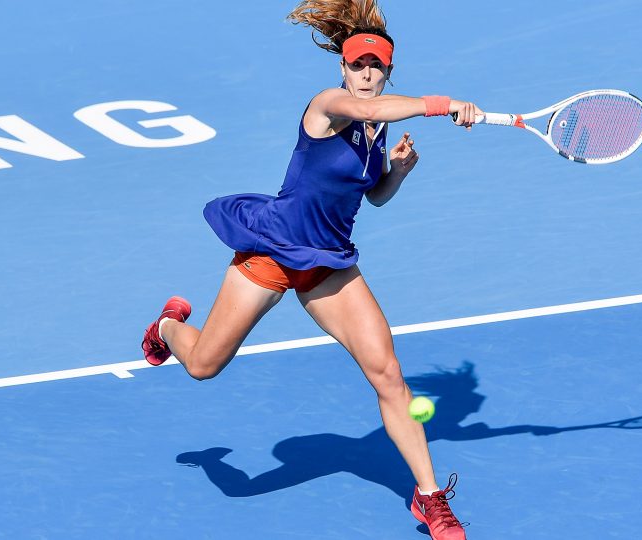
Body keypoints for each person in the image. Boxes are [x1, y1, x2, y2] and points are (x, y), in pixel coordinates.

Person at [141, 1, 481, 538]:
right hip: (273, 251)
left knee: (388, 374)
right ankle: (165, 327)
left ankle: (429, 497)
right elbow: (371, 112)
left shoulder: (378, 134)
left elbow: (374, 198)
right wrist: (441, 104)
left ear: (388, 71)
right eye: (358, 65)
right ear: (342, 69)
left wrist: (399, 171)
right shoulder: (327, 105)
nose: (367, 74)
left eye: (376, 67)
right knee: (204, 366)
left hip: (328, 263)